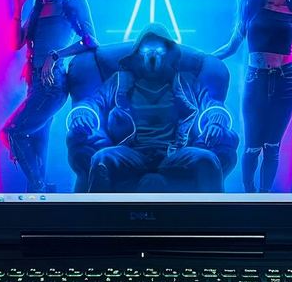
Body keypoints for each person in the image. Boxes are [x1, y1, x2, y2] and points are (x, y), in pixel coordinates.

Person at [68, 23, 236, 193]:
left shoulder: (185, 81)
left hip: (175, 153)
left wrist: (217, 119)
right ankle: (95, 211)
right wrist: (83, 113)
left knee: (207, 159)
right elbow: (94, 102)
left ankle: (212, 211)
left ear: (169, 53)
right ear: (137, 53)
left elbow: (210, 103)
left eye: (159, 50)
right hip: (131, 152)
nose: (153, 56)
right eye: (147, 50)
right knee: (102, 158)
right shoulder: (119, 81)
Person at [214, 0, 292, 193]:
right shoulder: (252, 7)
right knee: (251, 147)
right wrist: (201, 58)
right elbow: (231, 47)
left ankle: (265, 197)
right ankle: (250, 194)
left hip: (286, 83)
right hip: (255, 81)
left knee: (272, 147)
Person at [0, 0, 98, 192]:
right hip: (34, 85)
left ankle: (40, 189)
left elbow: (90, 41)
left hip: (52, 85)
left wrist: (55, 56)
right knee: (35, 151)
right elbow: (15, 43)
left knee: (11, 133)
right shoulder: (37, 9)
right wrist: (18, 5)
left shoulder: (73, 3)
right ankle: (41, 196)